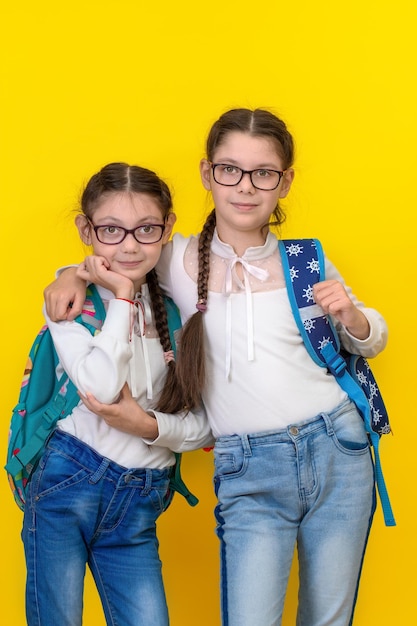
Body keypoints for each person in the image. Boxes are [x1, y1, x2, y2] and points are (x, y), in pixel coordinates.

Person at [44, 109, 387, 626]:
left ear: (285, 182)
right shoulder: (175, 257)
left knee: (328, 617)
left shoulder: (304, 259)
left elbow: (370, 339)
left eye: (263, 173)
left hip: (338, 445)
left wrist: (353, 317)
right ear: (208, 175)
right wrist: (69, 273)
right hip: (248, 464)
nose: (245, 187)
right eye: (229, 170)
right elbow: (118, 251)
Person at [23, 162, 213, 626]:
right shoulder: (68, 303)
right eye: (110, 229)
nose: (129, 244)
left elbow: (206, 424)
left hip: (139, 496)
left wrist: (149, 427)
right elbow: (102, 388)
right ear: (86, 230)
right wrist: (123, 295)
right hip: (68, 480)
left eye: (146, 228)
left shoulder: (176, 309)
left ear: (168, 228)